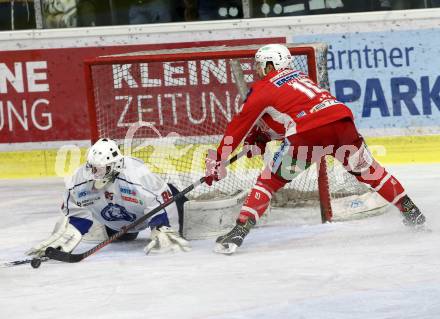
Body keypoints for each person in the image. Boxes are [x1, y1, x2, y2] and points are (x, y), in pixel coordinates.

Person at [205, 44, 426, 254]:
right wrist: (263, 136)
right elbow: (291, 118)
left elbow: (238, 127)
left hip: (308, 134)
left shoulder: (263, 88)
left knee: (269, 181)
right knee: (372, 173)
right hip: (342, 123)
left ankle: (238, 232)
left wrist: (219, 159)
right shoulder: (301, 78)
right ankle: (412, 212)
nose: (258, 71)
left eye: (260, 65)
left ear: (270, 65)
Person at [27, 138, 190, 258]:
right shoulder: (80, 179)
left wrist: (161, 226)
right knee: (122, 238)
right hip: (121, 222)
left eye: (100, 169)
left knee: (184, 222)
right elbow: (77, 211)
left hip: (153, 212)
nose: (94, 173)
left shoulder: (136, 174)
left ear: (115, 165)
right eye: (92, 168)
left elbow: (161, 200)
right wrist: (73, 229)